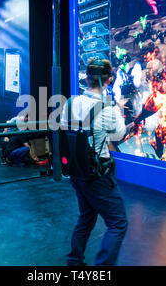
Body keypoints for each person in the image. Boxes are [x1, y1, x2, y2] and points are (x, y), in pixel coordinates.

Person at [61, 58, 128, 266]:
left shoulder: (70, 103)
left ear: (87, 78)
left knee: (87, 216)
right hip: (99, 174)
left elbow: (65, 128)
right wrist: (119, 111)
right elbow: (118, 135)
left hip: (76, 170)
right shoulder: (108, 109)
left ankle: (74, 260)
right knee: (118, 223)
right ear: (108, 80)